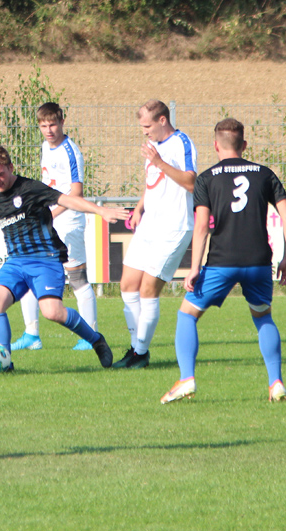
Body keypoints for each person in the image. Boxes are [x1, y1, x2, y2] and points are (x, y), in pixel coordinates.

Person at [0, 145, 128, 369]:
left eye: (1, 174)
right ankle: (5, 363)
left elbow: (67, 200)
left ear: (11, 168)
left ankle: (96, 340)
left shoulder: (30, 188)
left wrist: (101, 211)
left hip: (45, 259)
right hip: (15, 262)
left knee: (52, 312)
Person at [160, 118, 286, 404]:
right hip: (259, 261)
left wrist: (195, 267)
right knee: (263, 316)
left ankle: (186, 378)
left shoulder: (206, 178)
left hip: (222, 261)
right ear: (244, 145)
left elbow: (201, 227)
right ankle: (276, 383)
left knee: (187, 314)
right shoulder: (264, 173)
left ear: (215, 145)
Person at [114, 99, 198, 369]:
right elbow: (152, 184)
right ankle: (136, 348)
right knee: (127, 284)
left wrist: (159, 162)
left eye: (148, 125)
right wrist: (139, 207)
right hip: (149, 224)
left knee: (148, 289)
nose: (144, 131)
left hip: (173, 228)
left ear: (163, 120)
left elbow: (191, 182)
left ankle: (140, 353)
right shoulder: (154, 147)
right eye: (141, 126)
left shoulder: (182, 142)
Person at [10, 102, 98, 353]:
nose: (48, 130)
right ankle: (31, 335)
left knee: (77, 278)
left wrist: (50, 212)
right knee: (28, 272)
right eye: (43, 125)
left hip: (68, 221)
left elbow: (77, 193)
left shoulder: (71, 152)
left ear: (62, 122)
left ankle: (90, 337)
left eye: (53, 124)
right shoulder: (44, 147)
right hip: (46, 220)